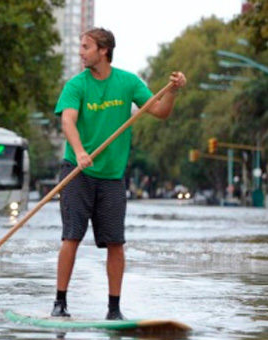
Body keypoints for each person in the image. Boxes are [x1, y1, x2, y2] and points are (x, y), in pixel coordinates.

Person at [52, 28, 187, 320]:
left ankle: (114, 309)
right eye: (81, 46)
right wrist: (79, 152)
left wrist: (173, 91)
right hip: (77, 171)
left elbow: (161, 111)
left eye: (86, 47)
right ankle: (60, 303)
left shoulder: (128, 83)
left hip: (112, 177)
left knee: (116, 242)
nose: (81, 51)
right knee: (71, 236)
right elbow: (68, 122)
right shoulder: (76, 86)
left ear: (104, 50)